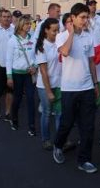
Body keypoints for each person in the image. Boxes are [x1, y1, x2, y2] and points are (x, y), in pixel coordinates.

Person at [52, 3, 99, 174]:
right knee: (67, 122)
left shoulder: (89, 36)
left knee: (88, 126)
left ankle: (84, 159)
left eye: (87, 17)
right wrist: (71, 33)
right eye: (82, 17)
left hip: (86, 87)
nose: (85, 21)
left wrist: (95, 84)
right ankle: (58, 145)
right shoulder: (61, 36)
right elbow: (64, 52)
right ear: (72, 18)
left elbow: (92, 62)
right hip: (69, 88)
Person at [6, 15, 37, 136]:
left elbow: (35, 56)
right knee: (17, 98)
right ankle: (14, 120)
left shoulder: (32, 39)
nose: (29, 26)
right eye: (27, 24)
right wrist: (9, 76)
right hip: (17, 74)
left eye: (30, 24)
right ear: (20, 25)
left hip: (29, 74)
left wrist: (35, 66)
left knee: (30, 99)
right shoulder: (12, 40)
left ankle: (32, 125)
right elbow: (8, 59)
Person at [35, 18, 62, 150]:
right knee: (46, 112)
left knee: (59, 113)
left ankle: (60, 140)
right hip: (45, 85)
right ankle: (46, 139)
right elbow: (44, 71)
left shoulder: (59, 42)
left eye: (58, 30)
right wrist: (49, 91)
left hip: (60, 83)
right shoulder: (41, 46)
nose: (56, 33)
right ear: (46, 30)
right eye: (53, 31)